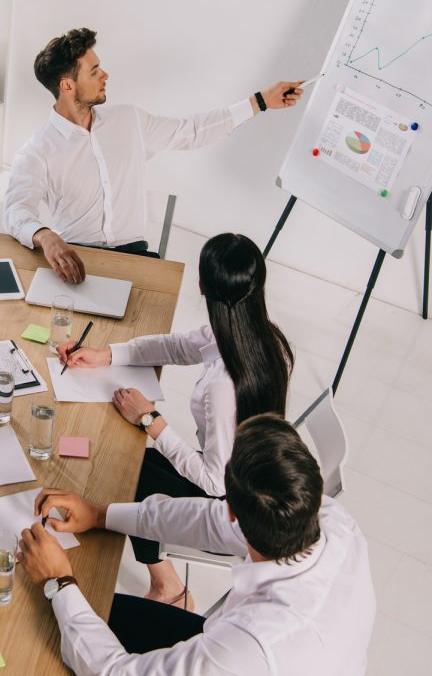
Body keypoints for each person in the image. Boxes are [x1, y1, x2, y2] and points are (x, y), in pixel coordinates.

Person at [18, 414, 376, 676]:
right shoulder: (329, 517)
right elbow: (205, 520)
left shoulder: (251, 644)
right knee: (92, 604)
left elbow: (116, 673)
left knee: (53, 629)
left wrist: (59, 581)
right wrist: (100, 515)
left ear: (233, 509)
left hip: (250, 656)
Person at [57, 232, 292, 608]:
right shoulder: (262, 336)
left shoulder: (222, 386)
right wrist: (106, 355)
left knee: (133, 479)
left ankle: (169, 587)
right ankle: (164, 578)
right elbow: (177, 346)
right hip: (256, 474)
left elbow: (214, 480)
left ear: (201, 287)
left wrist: (150, 418)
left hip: (233, 507)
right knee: (141, 462)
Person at [3, 27, 304, 283]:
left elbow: (192, 131)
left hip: (136, 260)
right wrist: (44, 235)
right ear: (67, 85)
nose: (105, 75)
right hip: (77, 260)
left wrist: (260, 102)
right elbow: (16, 211)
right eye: (94, 71)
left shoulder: (128, 120)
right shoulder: (38, 150)